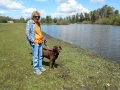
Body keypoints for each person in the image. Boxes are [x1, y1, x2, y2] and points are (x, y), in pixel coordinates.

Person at [26, 10, 46, 75]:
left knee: (40, 56)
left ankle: (40, 67)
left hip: (40, 42)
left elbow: (39, 33)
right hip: (35, 42)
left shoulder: (38, 23)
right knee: (36, 57)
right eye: (35, 16)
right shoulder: (30, 22)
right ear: (33, 16)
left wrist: (43, 38)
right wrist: (33, 41)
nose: (37, 18)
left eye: (38, 17)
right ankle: (35, 69)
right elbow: (27, 33)